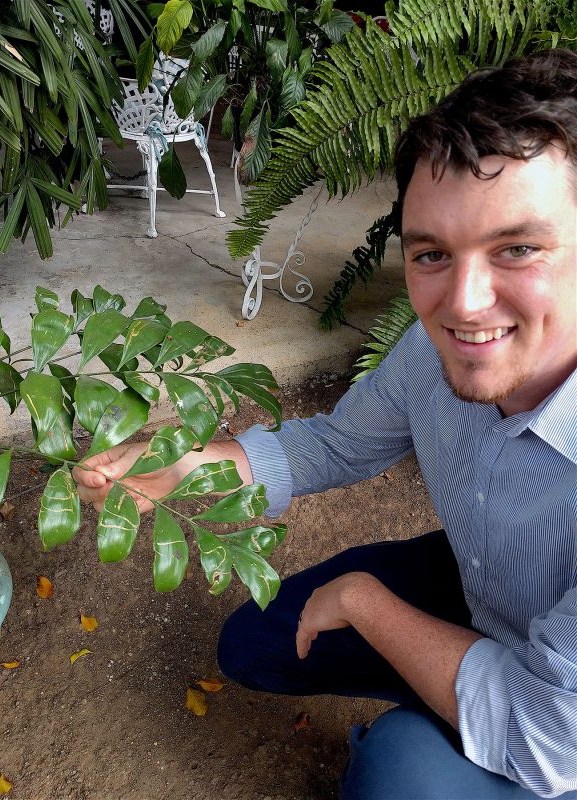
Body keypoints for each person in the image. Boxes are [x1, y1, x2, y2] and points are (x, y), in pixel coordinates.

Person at [74, 49, 577, 799]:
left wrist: (365, 602)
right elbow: (338, 443)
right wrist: (182, 462)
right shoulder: (427, 351)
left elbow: (546, 738)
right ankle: (450, 701)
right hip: (497, 590)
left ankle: (436, 738)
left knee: (398, 771)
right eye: (433, 253)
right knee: (257, 646)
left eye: (519, 248)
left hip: (561, 735)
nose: (464, 303)